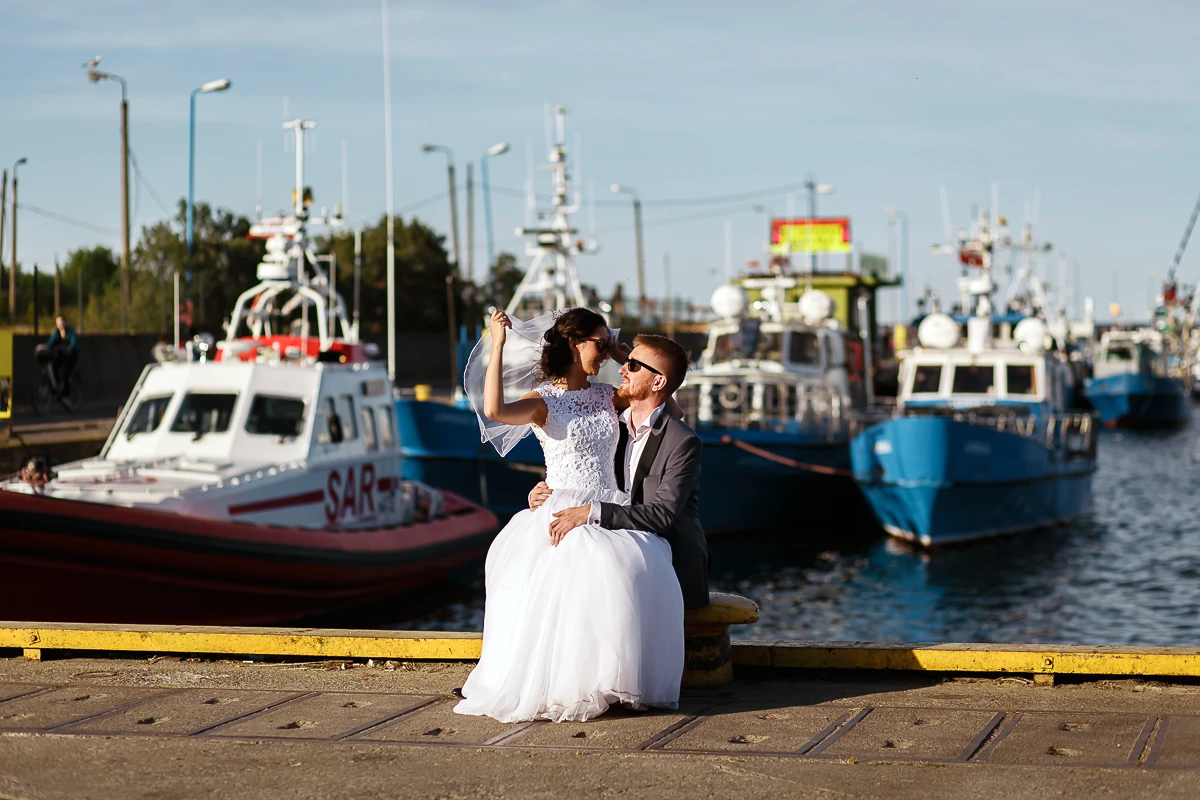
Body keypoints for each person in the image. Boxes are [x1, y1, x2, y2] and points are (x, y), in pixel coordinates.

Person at [453, 307, 696, 724]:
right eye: (600, 344)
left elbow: (663, 404)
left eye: (608, 345)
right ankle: (564, 684)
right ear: (573, 343)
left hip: (608, 504)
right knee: (564, 586)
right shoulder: (542, 402)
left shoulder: (606, 395)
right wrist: (498, 343)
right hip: (560, 506)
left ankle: (610, 680)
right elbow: (493, 410)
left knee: (628, 571)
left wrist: (627, 358)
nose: (605, 353)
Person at [45, 315, 81, 403]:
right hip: (62, 357)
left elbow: (73, 344)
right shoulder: (56, 333)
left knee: (66, 374)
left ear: (65, 322)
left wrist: (69, 349)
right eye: (58, 322)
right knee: (53, 367)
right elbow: (49, 343)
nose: (60, 324)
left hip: (72, 357)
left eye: (61, 321)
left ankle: (66, 396)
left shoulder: (70, 332)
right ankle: (58, 388)